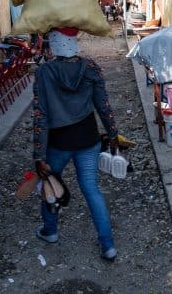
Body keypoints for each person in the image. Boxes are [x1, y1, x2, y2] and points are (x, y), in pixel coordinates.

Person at [32, 27, 120, 260]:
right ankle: (108, 245)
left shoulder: (44, 73)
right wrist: (113, 134)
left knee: (50, 186)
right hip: (88, 138)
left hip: (58, 142)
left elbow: (40, 115)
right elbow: (104, 106)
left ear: (53, 44)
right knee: (91, 189)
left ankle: (50, 231)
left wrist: (38, 155)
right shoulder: (90, 68)